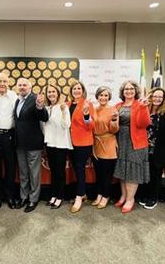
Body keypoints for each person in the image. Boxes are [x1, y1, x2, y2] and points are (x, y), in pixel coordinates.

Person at [113, 80, 150, 213]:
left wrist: (143, 107)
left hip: (136, 143)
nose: (128, 91)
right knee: (123, 170)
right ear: (122, 92)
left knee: (132, 172)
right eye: (126, 89)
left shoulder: (140, 104)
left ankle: (130, 199)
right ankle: (123, 196)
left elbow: (143, 123)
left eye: (131, 89)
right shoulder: (118, 105)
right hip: (121, 141)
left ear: (135, 91)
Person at [13, 78, 49, 213]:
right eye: (20, 85)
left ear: (30, 87)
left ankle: (33, 199)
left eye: (24, 85)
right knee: (23, 174)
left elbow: (44, 117)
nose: (22, 87)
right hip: (19, 144)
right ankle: (23, 197)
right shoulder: (18, 100)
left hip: (33, 144)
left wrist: (40, 106)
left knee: (34, 174)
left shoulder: (35, 99)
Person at [139, 87, 165, 210]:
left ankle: (153, 198)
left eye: (160, 97)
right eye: (155, 96)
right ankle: (145, 195)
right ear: (151, 96)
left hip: (159, 150)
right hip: (144, 148)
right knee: (146, 174)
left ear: (163, 99)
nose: (157, 99)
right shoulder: (145, 110)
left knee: (156, 175)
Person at [0, 72, 18, 210]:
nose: (2, 84)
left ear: (8, 82)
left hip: (10, 136)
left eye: (4, 81)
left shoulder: (14, 96)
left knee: (11, 168)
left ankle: (10, 196)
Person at [42, 84, 72, 209]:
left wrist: (64, 112)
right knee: (53, 171)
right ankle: (53, 195)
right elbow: (44, 126)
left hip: (60, 144)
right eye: (49, 92)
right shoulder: (46, 107)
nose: (51, 94)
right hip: (50, 143)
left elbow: (67, 125)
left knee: (60, 172)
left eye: (53, 91)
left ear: (58, 93)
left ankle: (60, 197)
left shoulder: (63, 107)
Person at [68, 80, 95, 213]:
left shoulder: (87, 104)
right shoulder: (67, 104)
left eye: (79, 88)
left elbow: (91, 126)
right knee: (75, 169)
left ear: (82, 90)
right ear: (71, 91)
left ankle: (79, 197)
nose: (76, 91)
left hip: (83, 143)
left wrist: (86, 115)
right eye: (74, 89)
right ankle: (82, 193)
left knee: (79, 170)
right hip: (69, 143)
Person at [91, 86, 119, 209]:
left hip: (109, 143)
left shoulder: (113, 110)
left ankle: (106, 196)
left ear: (109, 97)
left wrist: (114, 120)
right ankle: (99, 194)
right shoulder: (94, 109)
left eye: (106, 95)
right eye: (101, 95)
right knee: (99, 172)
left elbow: (115, 129)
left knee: (107, 173)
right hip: (96, 143)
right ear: (97, 96)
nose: (103, 97)